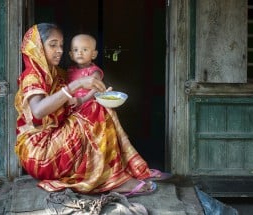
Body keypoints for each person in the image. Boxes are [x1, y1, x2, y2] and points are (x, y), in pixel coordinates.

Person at [15, 23, 165, 196]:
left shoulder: (55, 74)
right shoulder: (32, 76)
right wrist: (76, 85)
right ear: (38, 47)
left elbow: (74, 98)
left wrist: (97, 93)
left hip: (53, 140)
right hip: (40, 153)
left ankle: (117, 172)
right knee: (93, 110)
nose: (59, 50)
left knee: (98, 106)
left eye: (62, 45)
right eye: (52, 44)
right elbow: (39, 111)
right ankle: (114, 179)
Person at [66, 33, 105, 108]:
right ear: (71, 55)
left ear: (94, 54)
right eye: (76, 50)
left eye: (84, 49)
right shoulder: (70, 70)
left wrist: (82, 100)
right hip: (72, 105)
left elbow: (96, 89)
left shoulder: (95, 71)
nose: (79, 52)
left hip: (88, 106)